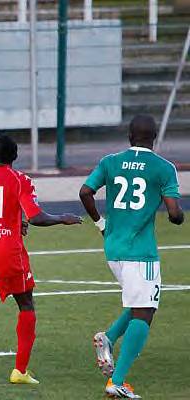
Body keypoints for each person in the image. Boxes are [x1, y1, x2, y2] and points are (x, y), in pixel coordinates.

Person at [0, 135, 82, 384]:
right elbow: (36, 216)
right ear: (14, 157)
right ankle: (20, 371)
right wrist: (62, 218)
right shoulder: (20, 180)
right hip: (8, 252)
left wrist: (10, 222)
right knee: (26, 305)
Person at [79, 114, 184, 399]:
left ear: (129, 136)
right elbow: (174, 214)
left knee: (142, 302)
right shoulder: (164, 168)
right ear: (155, 138)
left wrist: (101, 224)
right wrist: (177, 214)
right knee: (146, 311)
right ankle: (117, 381)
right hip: (141, 252)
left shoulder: (110, 161)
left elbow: (85, 192)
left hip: (113, 248)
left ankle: (109, 338)